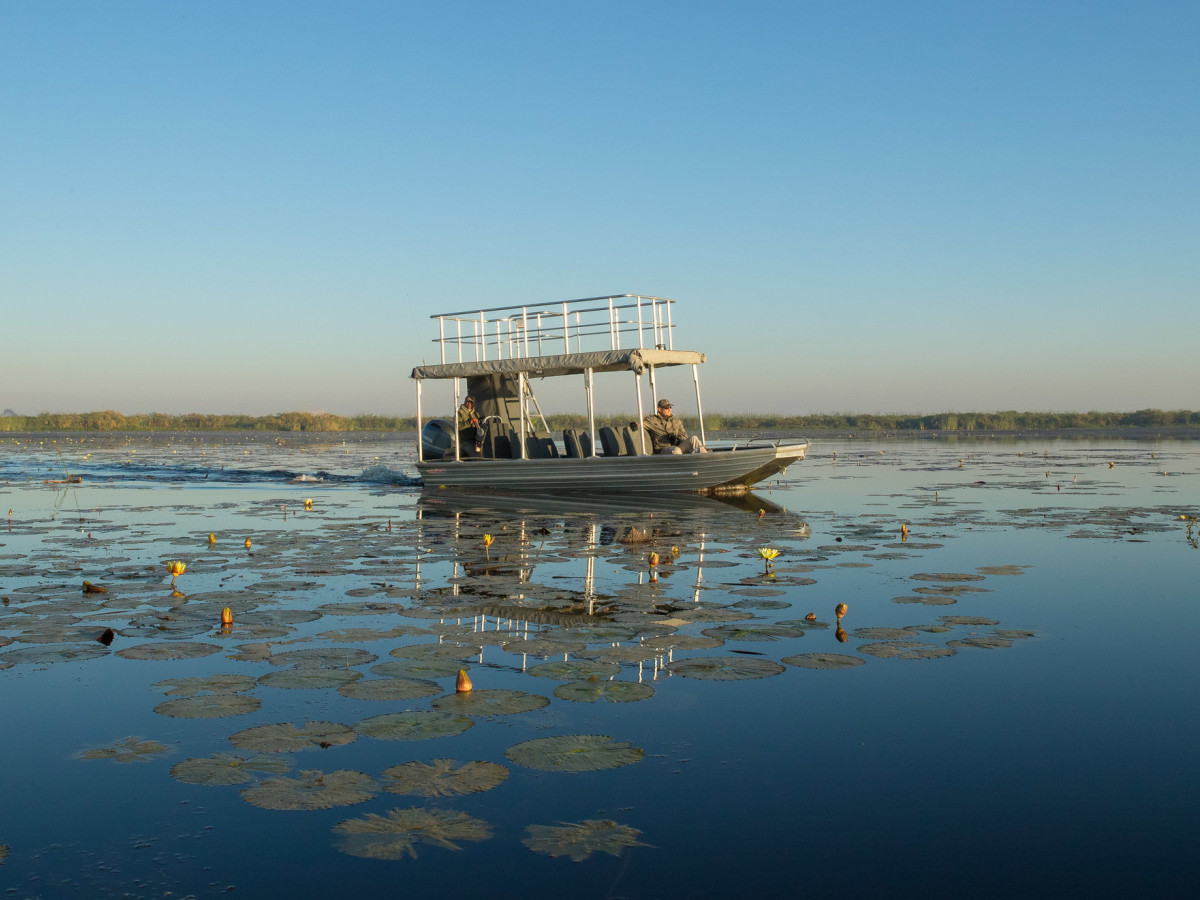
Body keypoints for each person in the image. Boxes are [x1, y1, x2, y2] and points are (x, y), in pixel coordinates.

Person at [642, 398, 706, 454]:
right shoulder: (652, 420)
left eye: (670, 407)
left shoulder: (676, 421)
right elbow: (640, 424)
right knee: (676, 450)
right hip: (662, 449)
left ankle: (705, 459)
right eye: (667, 408)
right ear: (660, 409)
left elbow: (684, 436)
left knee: (694, 438)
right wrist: (634, 424)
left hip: (677, 446)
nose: (669, 409)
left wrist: (677, 439)